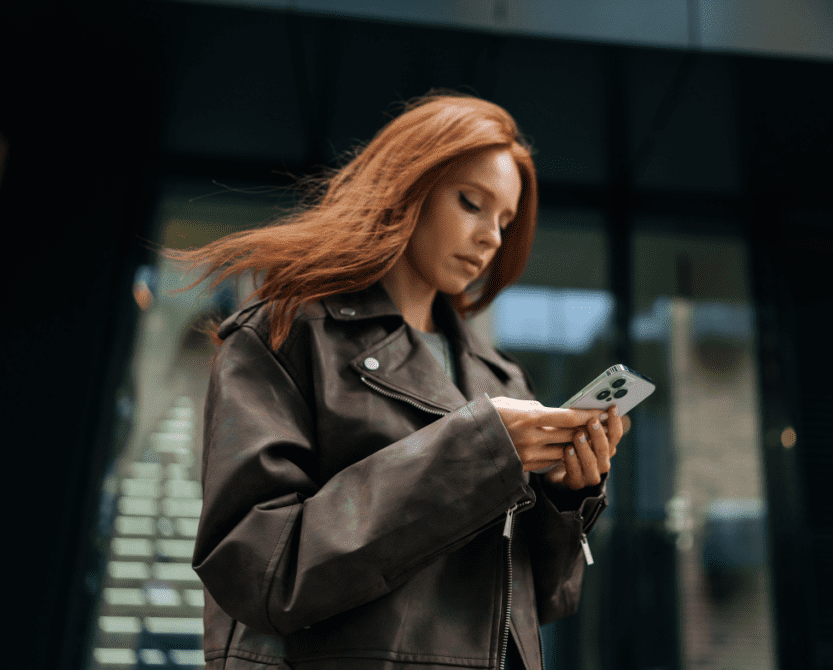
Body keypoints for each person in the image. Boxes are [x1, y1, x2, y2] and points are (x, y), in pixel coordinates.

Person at [164, 91, 629, 670]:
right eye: (471, 202)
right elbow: (259, 567)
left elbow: (546, 601)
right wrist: (478, 451)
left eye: (506, 222)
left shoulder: (499, 375)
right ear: (409, 187)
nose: (491, 237)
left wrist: (566, 495)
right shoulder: (285, 334)